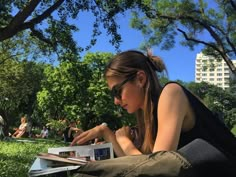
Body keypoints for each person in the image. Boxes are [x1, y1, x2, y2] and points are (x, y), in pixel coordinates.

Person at [71, 50, 236, 176]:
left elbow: (157, 169)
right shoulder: (148, 118)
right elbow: (137, 166)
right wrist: (107, 134)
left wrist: (124, 140)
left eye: (117, 91)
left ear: (140, 79)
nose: (116, 101)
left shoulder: (172, 93)